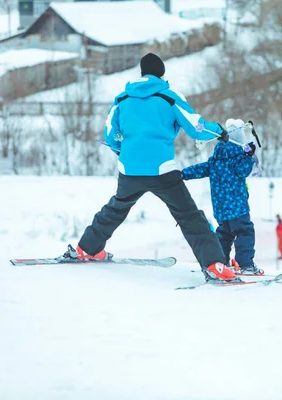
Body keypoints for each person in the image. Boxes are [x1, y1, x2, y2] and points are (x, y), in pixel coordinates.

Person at [61, 53, 236, 283]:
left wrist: (122, 149)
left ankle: (87, 248)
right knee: (189, 216)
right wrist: (220, 132)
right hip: (162, 170)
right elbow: (196, 128)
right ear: (162, 73)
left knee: (116, 208)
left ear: (142, 73)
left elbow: (110, 136)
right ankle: (214, 264)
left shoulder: (122, 99)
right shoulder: (169, 97)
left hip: (129, 169)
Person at [182, 118, 262, 276]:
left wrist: (182, 174)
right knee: (244, 231)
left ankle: (220, 262)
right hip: (237, 207)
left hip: (220, 208)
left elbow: (199, 169)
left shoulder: (215, 160)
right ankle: (246, 264)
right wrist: (248, 156)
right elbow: (244, 171)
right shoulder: (238, 158)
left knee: (224, 234)